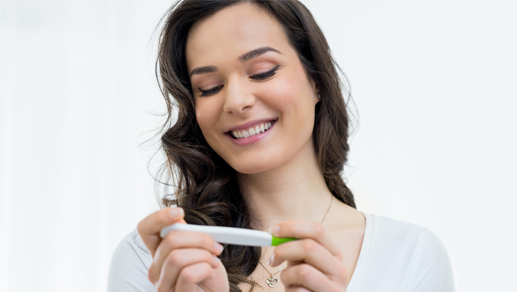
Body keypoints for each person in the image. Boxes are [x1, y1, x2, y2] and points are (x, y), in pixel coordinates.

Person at [107, 0, 456, 291]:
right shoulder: (154, 260)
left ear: (316, 80)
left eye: (262, 72)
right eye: (209, 87)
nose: (236, 101)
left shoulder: (412, 256)